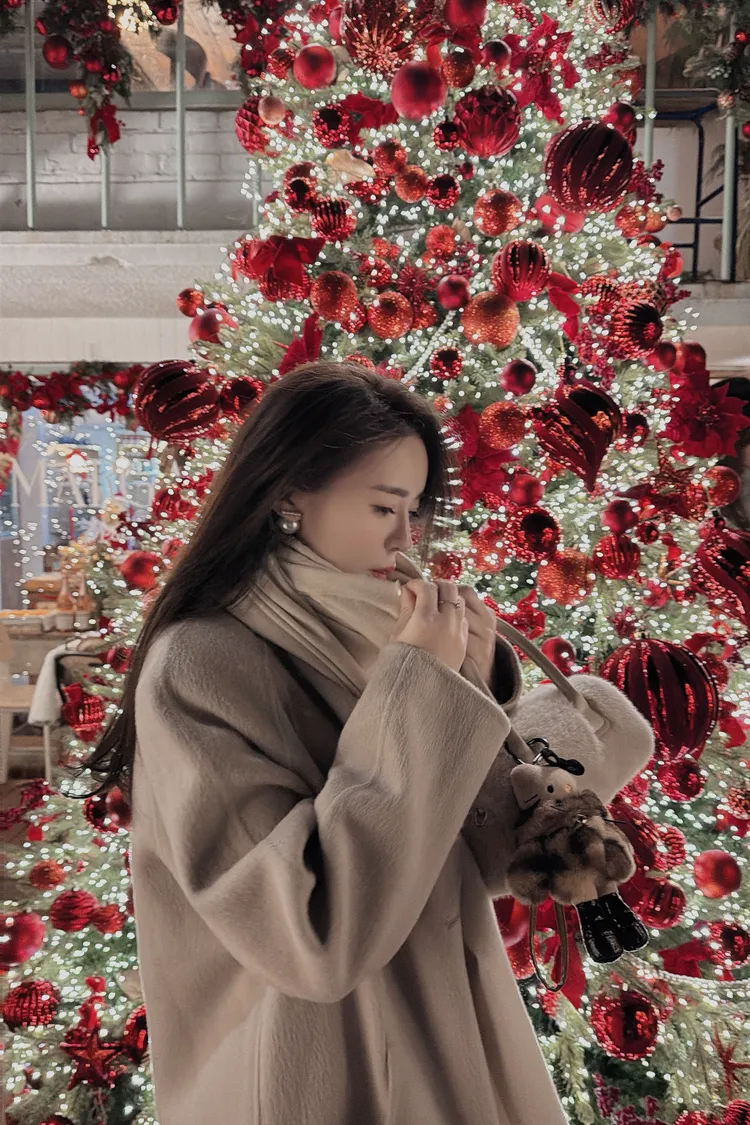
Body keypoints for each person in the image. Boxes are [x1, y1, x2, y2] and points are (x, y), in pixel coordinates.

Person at [83, 361, 570, 1125]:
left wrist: (473, 693)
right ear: (289, 493)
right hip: (307, 1077)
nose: (405, 537)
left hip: (441, 1047)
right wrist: (423, 692)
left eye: (414, 509)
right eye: (382, 505)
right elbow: (311, 937)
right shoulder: (201, 663)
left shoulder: (378, 634)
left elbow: (460, 863)